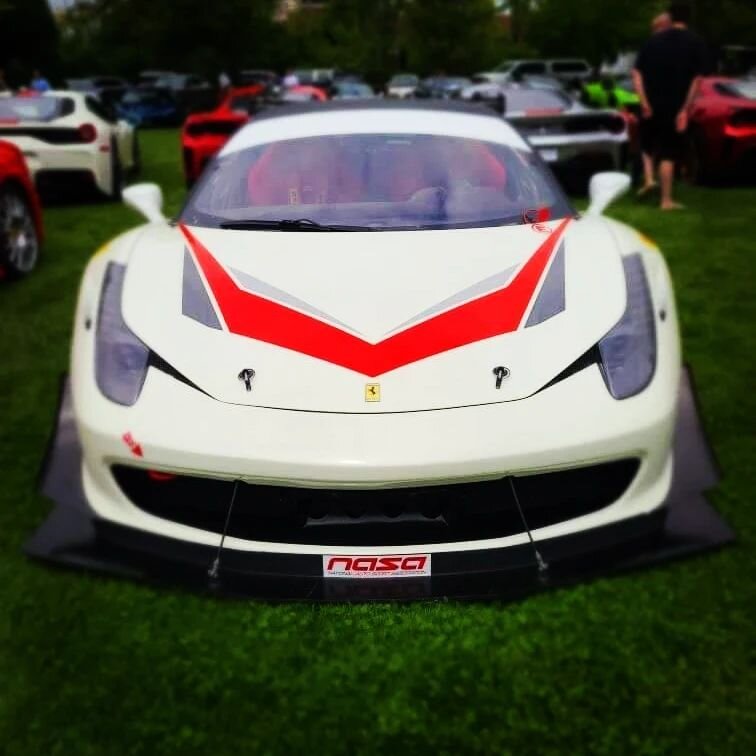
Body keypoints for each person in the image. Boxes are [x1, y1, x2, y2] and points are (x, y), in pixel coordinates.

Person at [632, 3, 707, 209]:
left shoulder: (653, 41)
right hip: (675, 105)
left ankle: (649, 180)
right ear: (689, 18)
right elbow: (697, 80)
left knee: (647, 142)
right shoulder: (696, 43)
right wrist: (685, 109)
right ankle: (666, 200)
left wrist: (645, 102)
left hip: (652, 103)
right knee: (668, 152)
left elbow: (636, 73)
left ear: (670, 17)